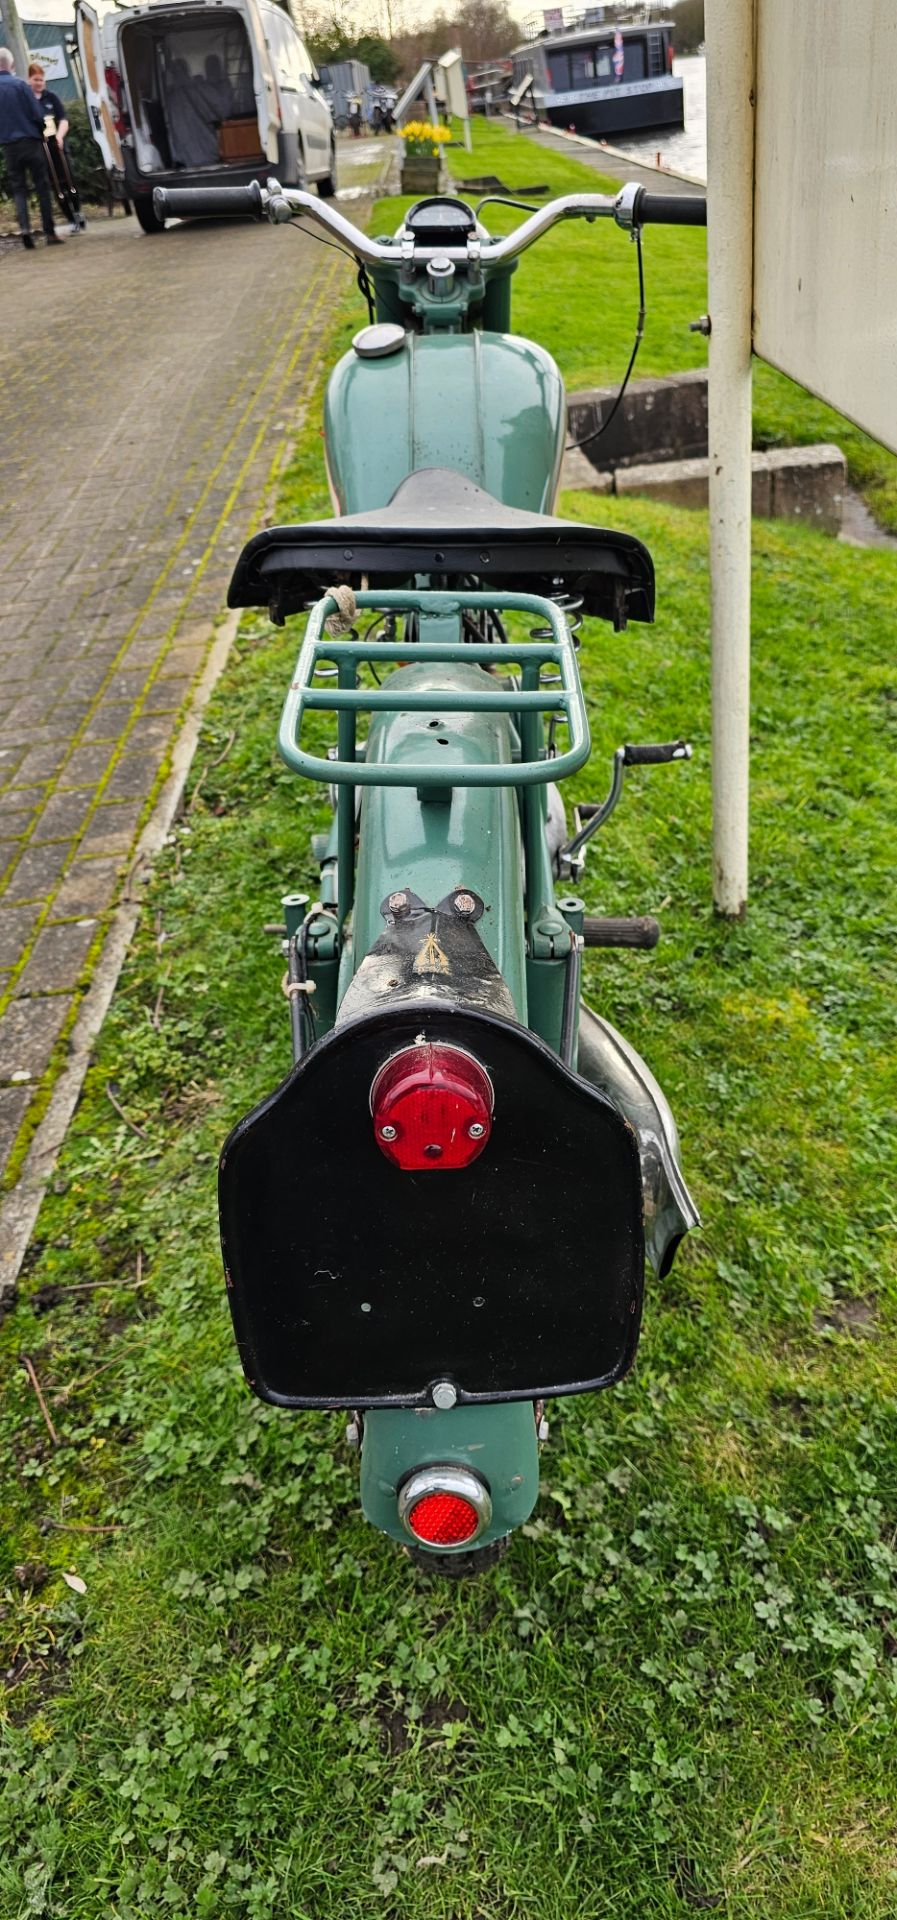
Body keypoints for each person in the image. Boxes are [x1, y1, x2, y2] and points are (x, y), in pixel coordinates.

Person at [0, 45, 62, 247]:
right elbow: (37, 114)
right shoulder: (20, 85)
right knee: (42, 187)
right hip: (31, 142)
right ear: (11, 64)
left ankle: (25, 231)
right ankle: (50, 233)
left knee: (19, 189)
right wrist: (42, 129)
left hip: (9, 147)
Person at [28, 61, 84, 233]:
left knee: (69, 180)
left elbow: (64, 119)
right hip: (42, 149)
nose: (39, 83)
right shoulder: (28, 101)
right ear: (29, 80)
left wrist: (60, 136)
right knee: (55, 185)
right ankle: (70, 218)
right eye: (36, 80)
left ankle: (78, 212)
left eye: (41, 80)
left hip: (57, 146)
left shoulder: (51, 97)